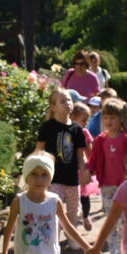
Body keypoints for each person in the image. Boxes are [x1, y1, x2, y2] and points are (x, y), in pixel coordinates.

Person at [86, 98, 127, 254]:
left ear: (122, 119)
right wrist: (87, 171)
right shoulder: (100, 140)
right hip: (108, 186)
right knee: (111, 220)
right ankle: (114, 252)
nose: (108, 121)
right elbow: (93, 160)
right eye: (105, 117)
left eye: (113, 117)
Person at [36, 87, 89, 231]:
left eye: (69, 100)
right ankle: (54, 238)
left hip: (72, 179)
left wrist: (85, 171)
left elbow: (80, 155)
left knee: (73, 212)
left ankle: (72, 236)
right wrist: (37, 173)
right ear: (53, 107)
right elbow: (39, 151)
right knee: (53, 211)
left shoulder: (77, 129)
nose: (68, 103)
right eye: (63, 101)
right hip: (53, 179)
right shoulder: (47, 127)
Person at [71, 102, 100, 232]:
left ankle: (86, 216)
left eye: (87, 120)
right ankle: (72, 221)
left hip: (81, 170)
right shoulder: (66, 132)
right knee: (71, 198)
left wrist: (92, 167)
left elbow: (90, 151)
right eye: (83, 120)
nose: (86, 123)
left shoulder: (85, 132)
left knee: (84, 196)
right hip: (69, 170)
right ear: (72, 117)